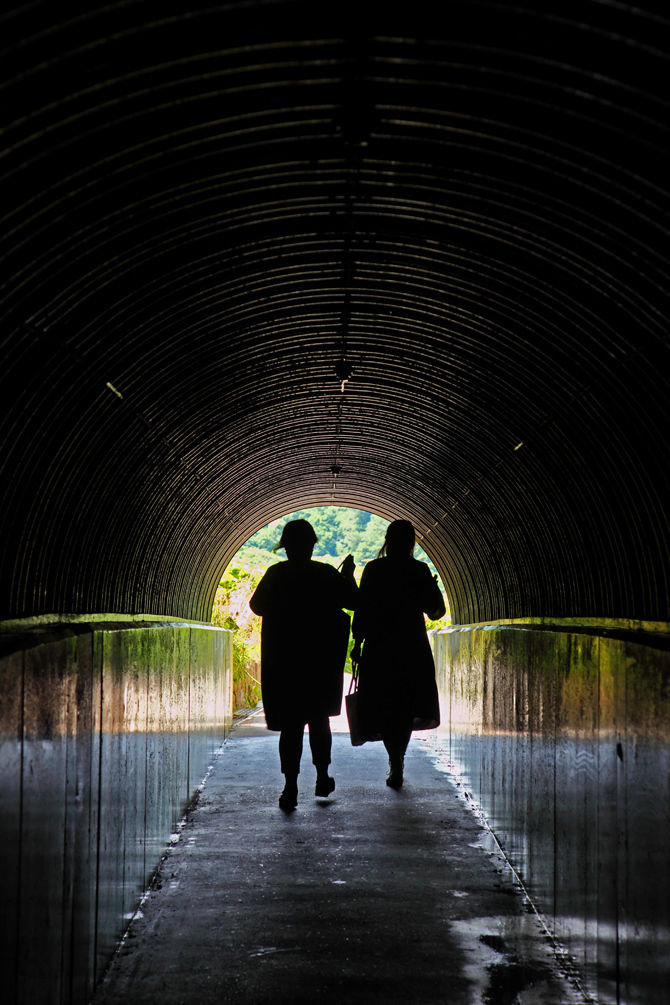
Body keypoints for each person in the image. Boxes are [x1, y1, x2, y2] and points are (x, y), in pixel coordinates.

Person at [249, 519, 358, 810]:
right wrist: (347, 575)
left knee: (291, 727)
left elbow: (256, 606)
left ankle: (290, 788)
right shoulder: (324, 574)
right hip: (319, 664)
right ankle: (322, 776)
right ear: (312, 545)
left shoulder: (275, 574)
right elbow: (353, 601)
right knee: (319, 722)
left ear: (286, 547)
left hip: (284, 664)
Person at [351, 520, 445, 789]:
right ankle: (398, 760)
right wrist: (432, 587)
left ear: (387, 540)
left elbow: (363, 609)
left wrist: (357, 643)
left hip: (380, 647)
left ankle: (395, 759)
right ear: (412, 542)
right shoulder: (419, 570)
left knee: (385, 704)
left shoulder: (374, 569)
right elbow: (436, 612)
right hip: (411, 647)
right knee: (405, 706)